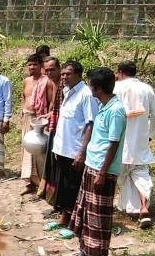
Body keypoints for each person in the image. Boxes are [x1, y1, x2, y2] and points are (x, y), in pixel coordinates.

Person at [69, 67, 127, 256]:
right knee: (86, 210)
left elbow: (113, 143)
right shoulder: (104, 106)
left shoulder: (116, 110)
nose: (90, 89)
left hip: (103, 169)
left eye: (91, 85)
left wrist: (102, 173)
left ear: (98, 88)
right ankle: (86, 250)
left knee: (99, 215)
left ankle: (98, 255)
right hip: (92, 165)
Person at [49, 61, 99, 228]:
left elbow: (90, 124)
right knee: (62, 185)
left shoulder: (86, 94)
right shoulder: (67, 92)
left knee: (73, 186)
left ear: (78, 75)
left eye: (67, 74)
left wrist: (81, 152)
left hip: (75, 150)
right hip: (62, 148)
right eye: (62, 74)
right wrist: (57, 146)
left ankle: (74, 222)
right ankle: (64, 217)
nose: (64, 77)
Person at [114, 60, 155, 229]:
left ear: (120, 72)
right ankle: (143, 207)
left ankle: (109, 209)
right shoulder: (147, 89)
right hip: (139, 143)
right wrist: (149, 135)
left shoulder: (116, 88)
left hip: (117, 143)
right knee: (141, 175)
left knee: (117, 175)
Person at [20, 53, 46, 195]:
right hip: (27, 117)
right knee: (27, 151)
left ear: (40, 65)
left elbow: (49, 101)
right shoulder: (27, 81)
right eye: (29, 64)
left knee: (39, 152)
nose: (32, 67)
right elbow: (23, 97)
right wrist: (22, 111)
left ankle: (41, 183)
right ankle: (30, 183)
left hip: (39, 120)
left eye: (35, 64)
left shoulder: (45, 81)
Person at [38, 57, 63, 201]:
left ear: (59, 69)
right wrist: (48, 115)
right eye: (46, 70)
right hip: (54, 128)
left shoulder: (64, 87)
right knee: (52, 165)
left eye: (52, 70)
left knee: (57, 167)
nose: (49, 73)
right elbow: (56, 109)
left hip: (63, 133)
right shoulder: (55, 85)